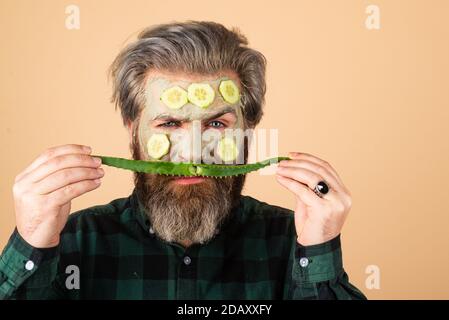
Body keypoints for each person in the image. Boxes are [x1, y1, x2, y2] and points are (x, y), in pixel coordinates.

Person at [0, 21, 366, 299]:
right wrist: (32, 241)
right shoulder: (69, 245)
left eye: (217, 123)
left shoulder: (295, 244)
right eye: (170, 123)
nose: (193, 153)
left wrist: (319, 250)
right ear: (132, 129)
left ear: (249, 129)